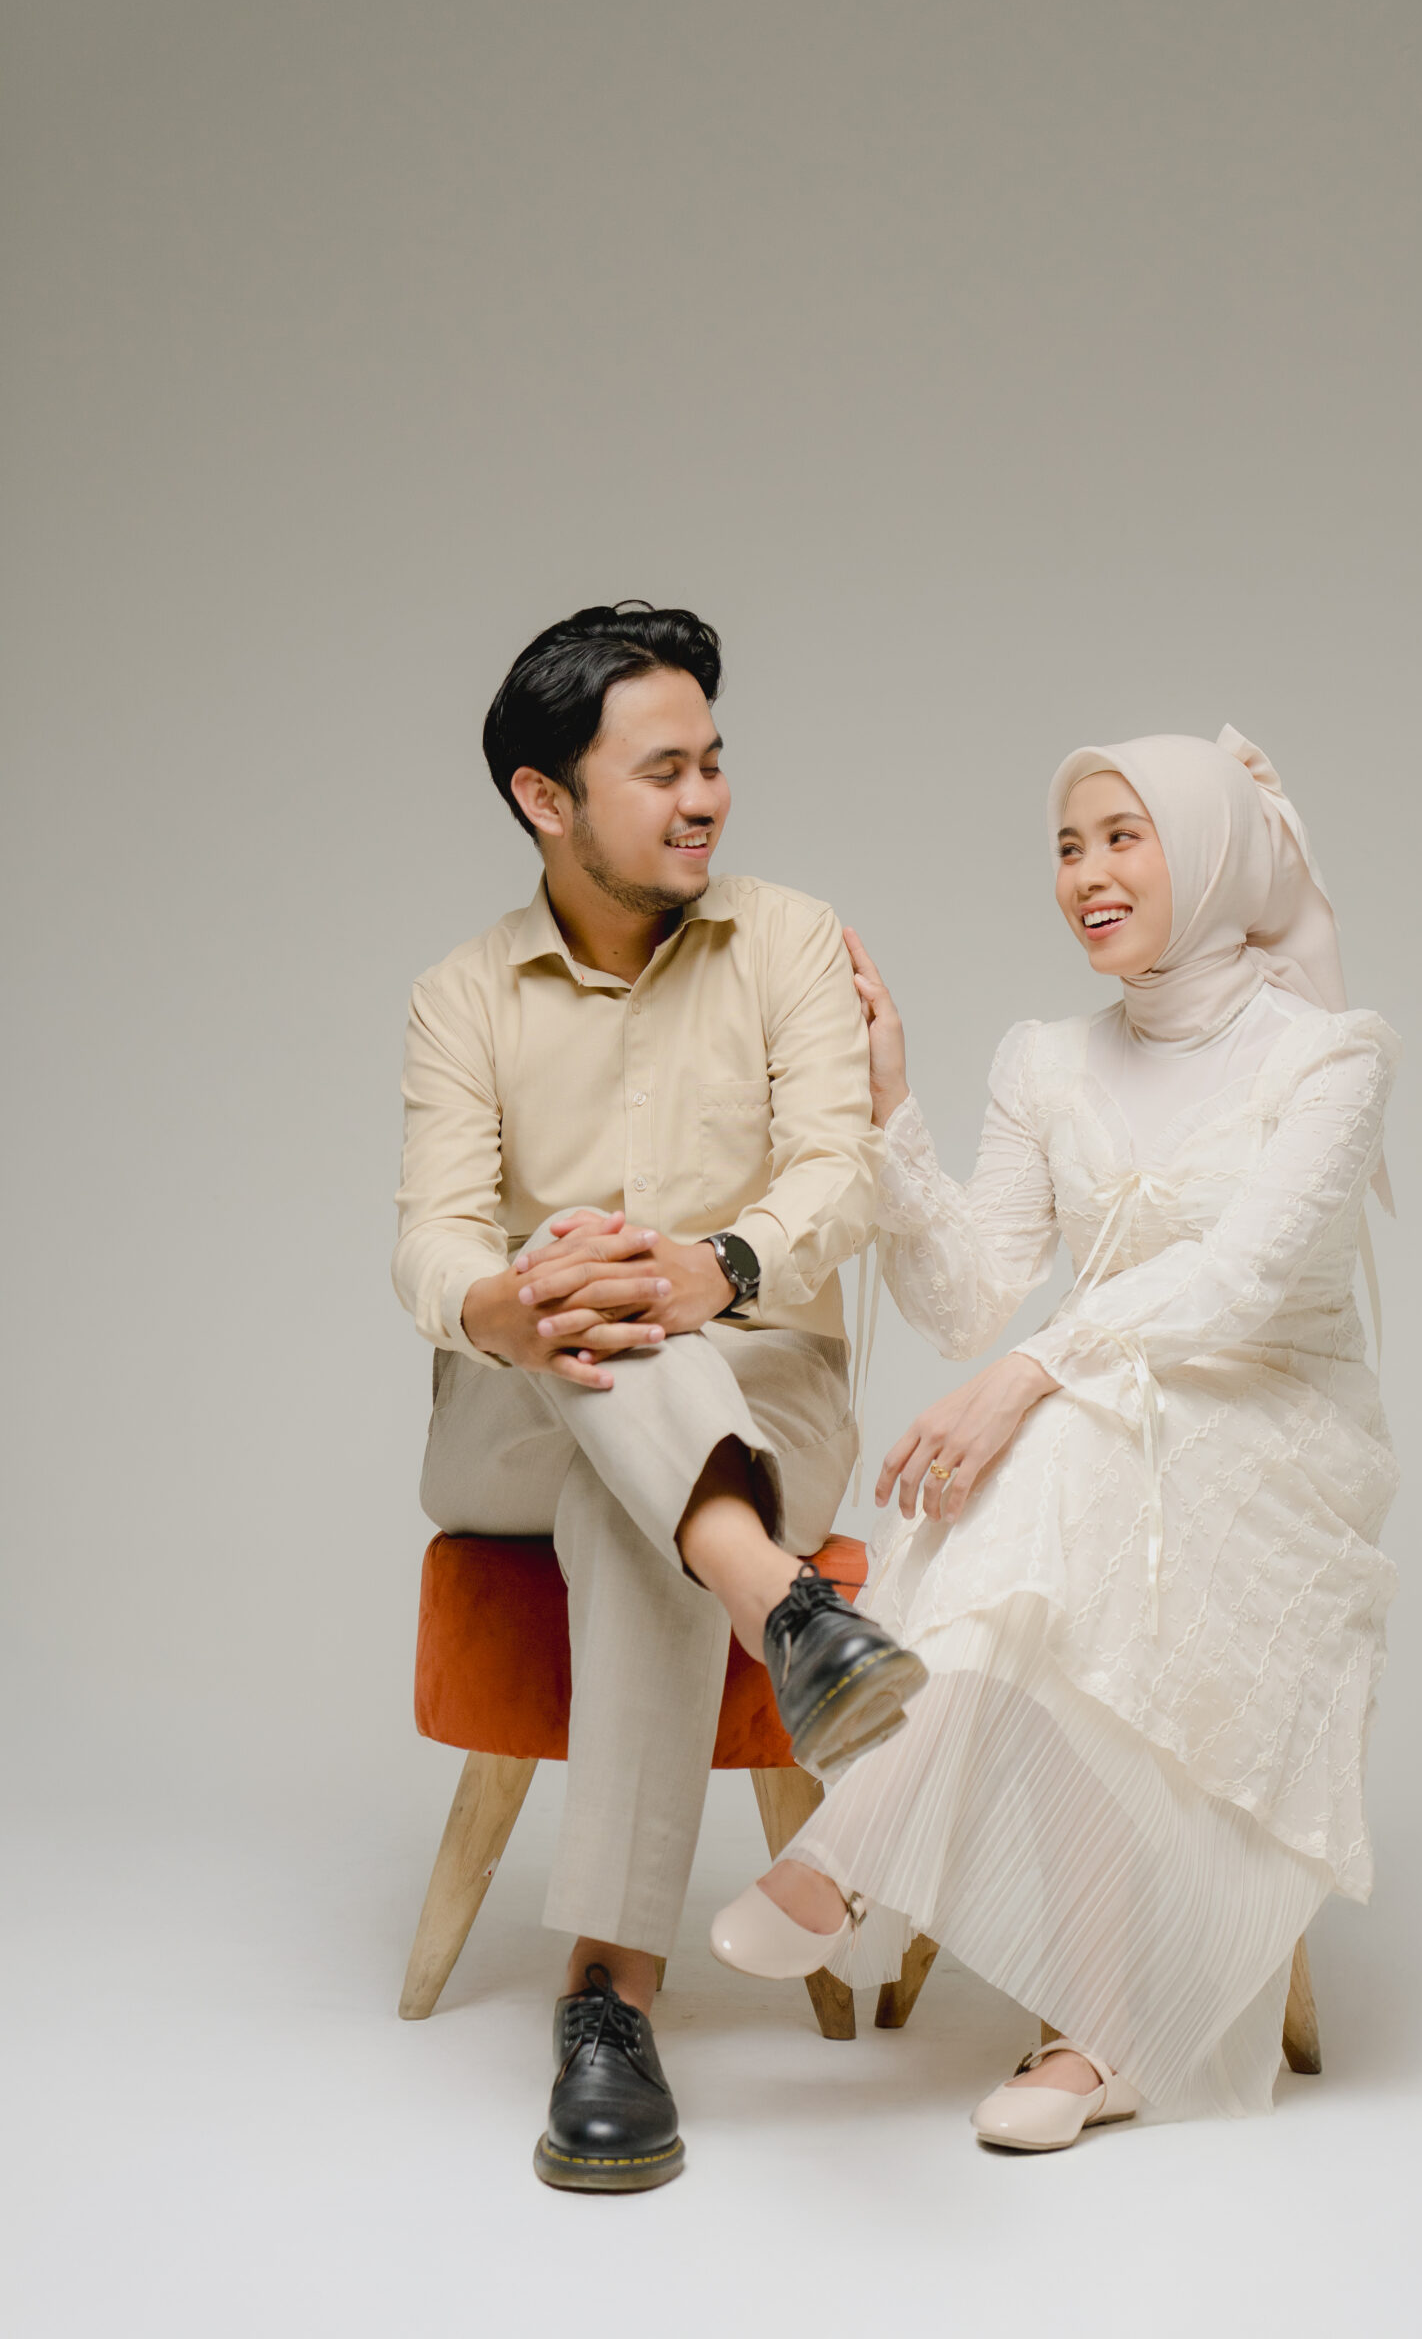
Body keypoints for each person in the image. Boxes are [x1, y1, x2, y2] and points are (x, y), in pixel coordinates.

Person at [709, 726, 1400, 2151]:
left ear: (1208, 849)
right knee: (1056, 1478)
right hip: (1094, 1422)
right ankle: (1095, 2035)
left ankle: (860, 1849)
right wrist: (893, 1101)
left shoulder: (1331, 1057)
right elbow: (968, 1297)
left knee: (1045, 1453)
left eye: (1123, 838)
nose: (1086, 874)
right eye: (1069, 847)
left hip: (1275, 1432)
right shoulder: (1043, 1059)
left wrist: (1030, 1373)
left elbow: (1244, 1283)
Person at [392, 604, 922, 2194]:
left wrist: (718, 1267)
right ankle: (788, 1614)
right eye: (664, 770)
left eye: (714, 762)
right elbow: (429, 1234)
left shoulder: (791, 943)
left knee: (632, 1496)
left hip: (766, 1397)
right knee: (572, 1260)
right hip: (518, 1405)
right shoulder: (462, 996)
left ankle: (608, 2002)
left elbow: (842, 1170)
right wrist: (506, 1300)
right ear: (544, 799)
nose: (707, 799)